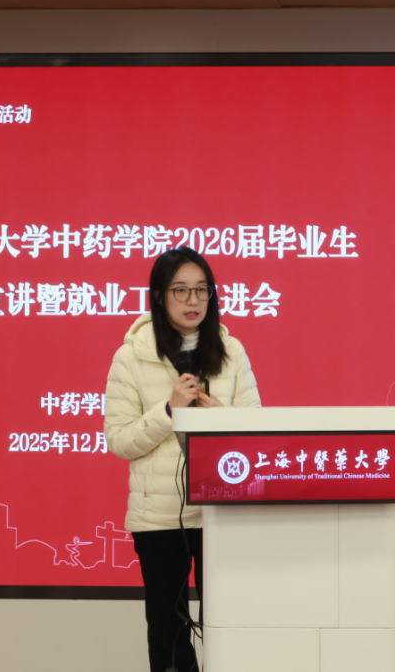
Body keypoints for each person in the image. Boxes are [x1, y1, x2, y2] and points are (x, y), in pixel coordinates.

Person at [105, 247, 260, 672]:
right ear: (159, 296)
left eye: (201, 290)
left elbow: (257, 430)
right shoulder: (131, 356)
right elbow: (119, 440)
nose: (193, 301)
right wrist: (168, 411)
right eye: (181, 291)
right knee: (168, 632)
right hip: (159, 518)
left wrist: (221, 417)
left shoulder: (231, 350)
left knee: (230, 626)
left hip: (222, 512)